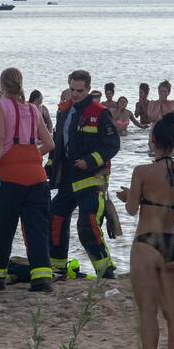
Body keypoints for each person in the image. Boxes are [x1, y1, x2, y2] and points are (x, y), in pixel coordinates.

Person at [116, 112, 174, 349]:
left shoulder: (142, 171)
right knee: (173, 311)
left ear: (153, 139)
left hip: (146, 243)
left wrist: (128, 196)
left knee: (148, 311)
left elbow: (132, 209)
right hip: (171, 243)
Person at [0, 67, 56, 292]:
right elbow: (50, 144)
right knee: (36, 229)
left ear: (2, 85)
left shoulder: (0, 106)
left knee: (2, 227)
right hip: (37, 178)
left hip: (9, 176)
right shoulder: (33, 109)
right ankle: (41, 278)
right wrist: (31, 158)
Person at [47, 70, 121, 278]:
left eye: (80, 90)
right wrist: (51, 165)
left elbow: (113, 145)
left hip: (92, 178)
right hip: (68, 177)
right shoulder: (64, 111)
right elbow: (58, 143)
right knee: (55, 216)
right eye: (72, 89)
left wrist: (89, 161)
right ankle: (57, 267)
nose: (75, 94)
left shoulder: (100, 112)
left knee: (87, 223)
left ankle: (106, 270)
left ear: (88, 89)